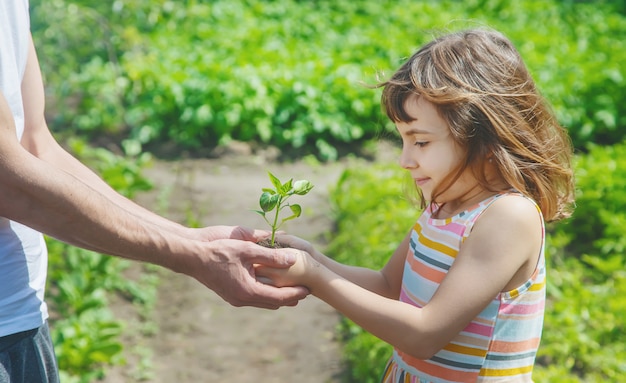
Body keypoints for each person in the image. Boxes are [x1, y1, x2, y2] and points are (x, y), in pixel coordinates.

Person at [0, 1, 308, 382]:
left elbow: (35, 144)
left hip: (23, 314)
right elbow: (8, 181)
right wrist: (191, 256)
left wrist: (191, 239)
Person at [257, 28, 575, 382]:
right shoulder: (443, 208)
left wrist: (314, 277)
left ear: (485, 137)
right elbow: (387, 287)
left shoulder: (507, 217)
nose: (405, 161)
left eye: (420, 142)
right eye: (403, 142)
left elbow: (424, 336)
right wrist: (313, 259)